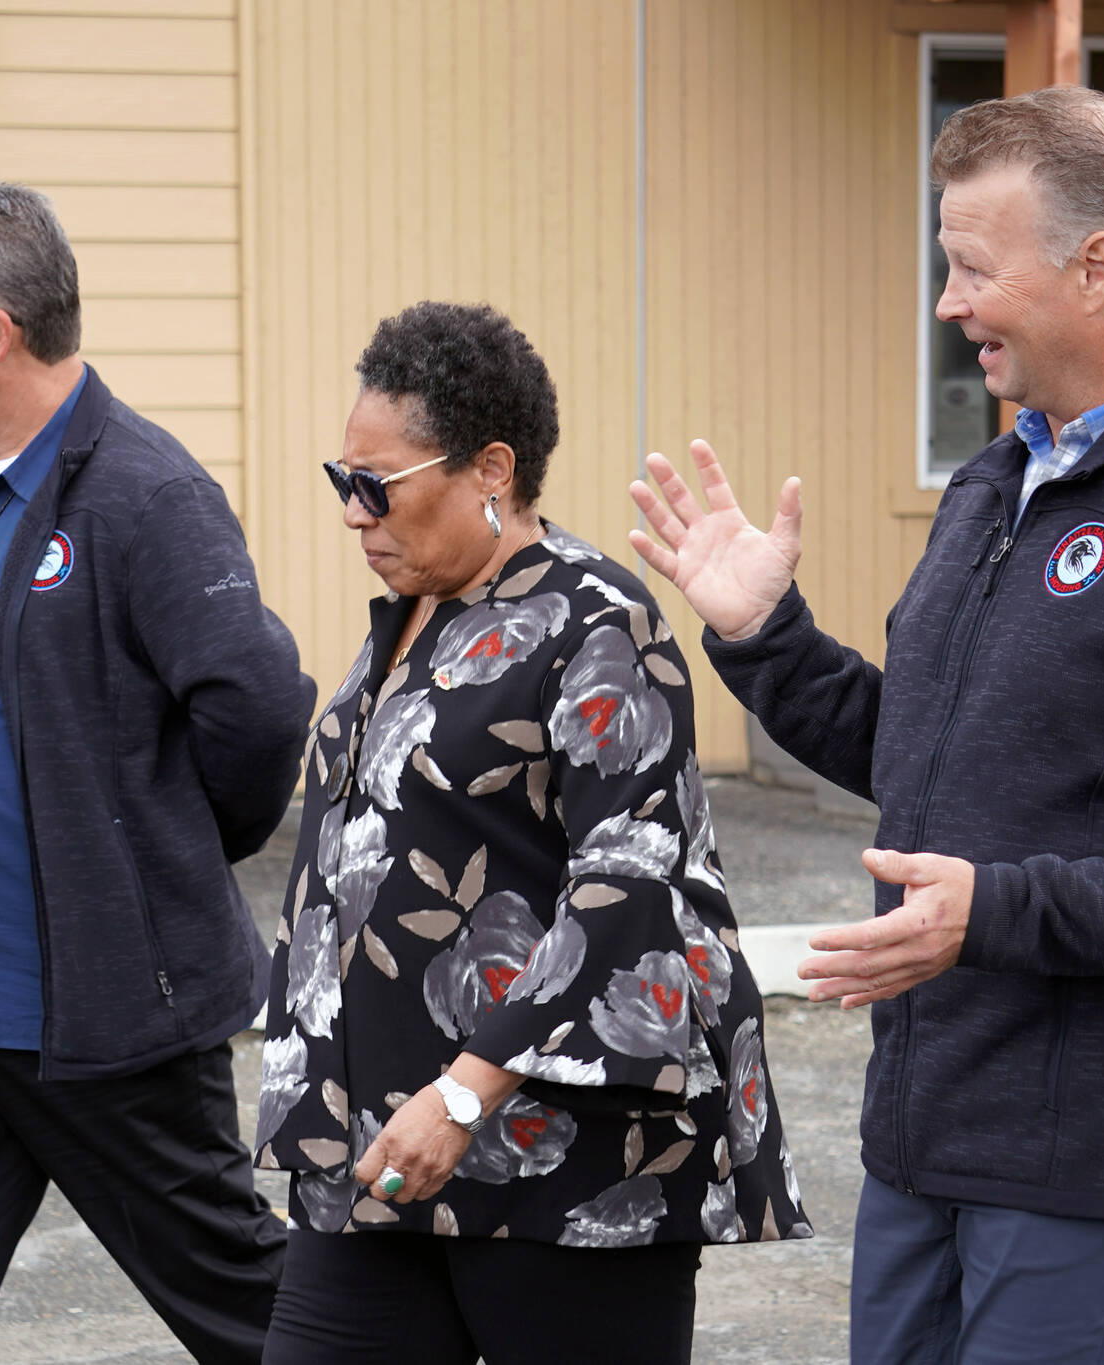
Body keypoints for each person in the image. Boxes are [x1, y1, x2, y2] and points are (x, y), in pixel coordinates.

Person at [630, 86, 1104, 1364]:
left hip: (1085, 1154)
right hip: (928, 1122)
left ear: (1096, 267)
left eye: (972, 267)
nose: (947, 302)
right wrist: (767, 640)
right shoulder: (997, 480)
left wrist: (994, 912)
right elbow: (924, 753)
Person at [0, 182, 314, 1365]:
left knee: (251, 1311)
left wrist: (153, 853)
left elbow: (256, 706)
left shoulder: (145, 494)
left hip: (103, 1018)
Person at [256, 300, 811, 1365]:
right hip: (375, 1155)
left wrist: (465, 1092)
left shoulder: (595, 621)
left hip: (557, 1162)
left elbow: (625, 875)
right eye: (341, 482)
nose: (352, 512)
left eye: (375, 484)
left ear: (489, 469)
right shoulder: (413, 612)